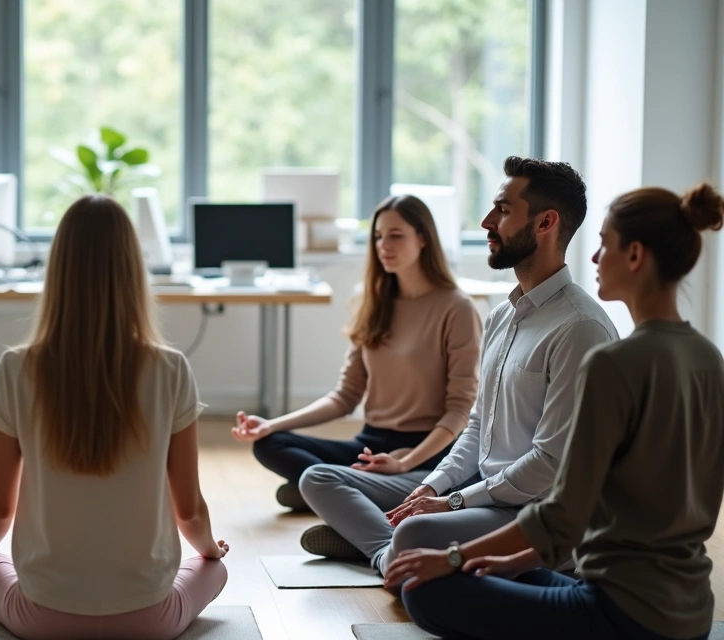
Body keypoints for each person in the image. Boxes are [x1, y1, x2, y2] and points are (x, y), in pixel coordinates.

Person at [386, 183, 724, 640]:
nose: (594, 257)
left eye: (604, 244)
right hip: (691, 614)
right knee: (482, 570)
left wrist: (452, 556)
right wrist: (509, 561)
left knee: (424, 591)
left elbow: (562, 514)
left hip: (620, 614)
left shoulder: (611, 360)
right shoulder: (709, 357)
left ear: (635, 255)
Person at [0, 195, 228, 640]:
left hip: (43, 618)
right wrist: (209, 551)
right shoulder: (171, 369)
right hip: (150, 620)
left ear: (57, 271)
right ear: (133, 272)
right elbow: (190, 511)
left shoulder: (15, 368)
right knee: (214, 569)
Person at [371, 156, 618, 577]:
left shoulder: (580, 328)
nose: (487, 222)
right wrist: (433, 486)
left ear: (545, 223)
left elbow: (549, 464)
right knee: (404, 519)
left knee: (412, 534)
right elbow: (477, 425)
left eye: (503, 210)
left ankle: (385, 553)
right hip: (490, 498)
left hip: (538, 515)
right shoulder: (502, 316)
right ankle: (396, 556)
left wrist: (453, 502)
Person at [234, 195, 481, 519]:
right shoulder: (371, 300)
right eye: (378, 236)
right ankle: (349, 490)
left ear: (423, 238)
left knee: (443, 474)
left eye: (396, 235)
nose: (383, 245)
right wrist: (270, 425)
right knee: (269, 444)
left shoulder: (457, 308)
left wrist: (405, 462)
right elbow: (345, 397)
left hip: (427, 448)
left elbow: (460, 411)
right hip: (370, 442)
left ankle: (332, 491)